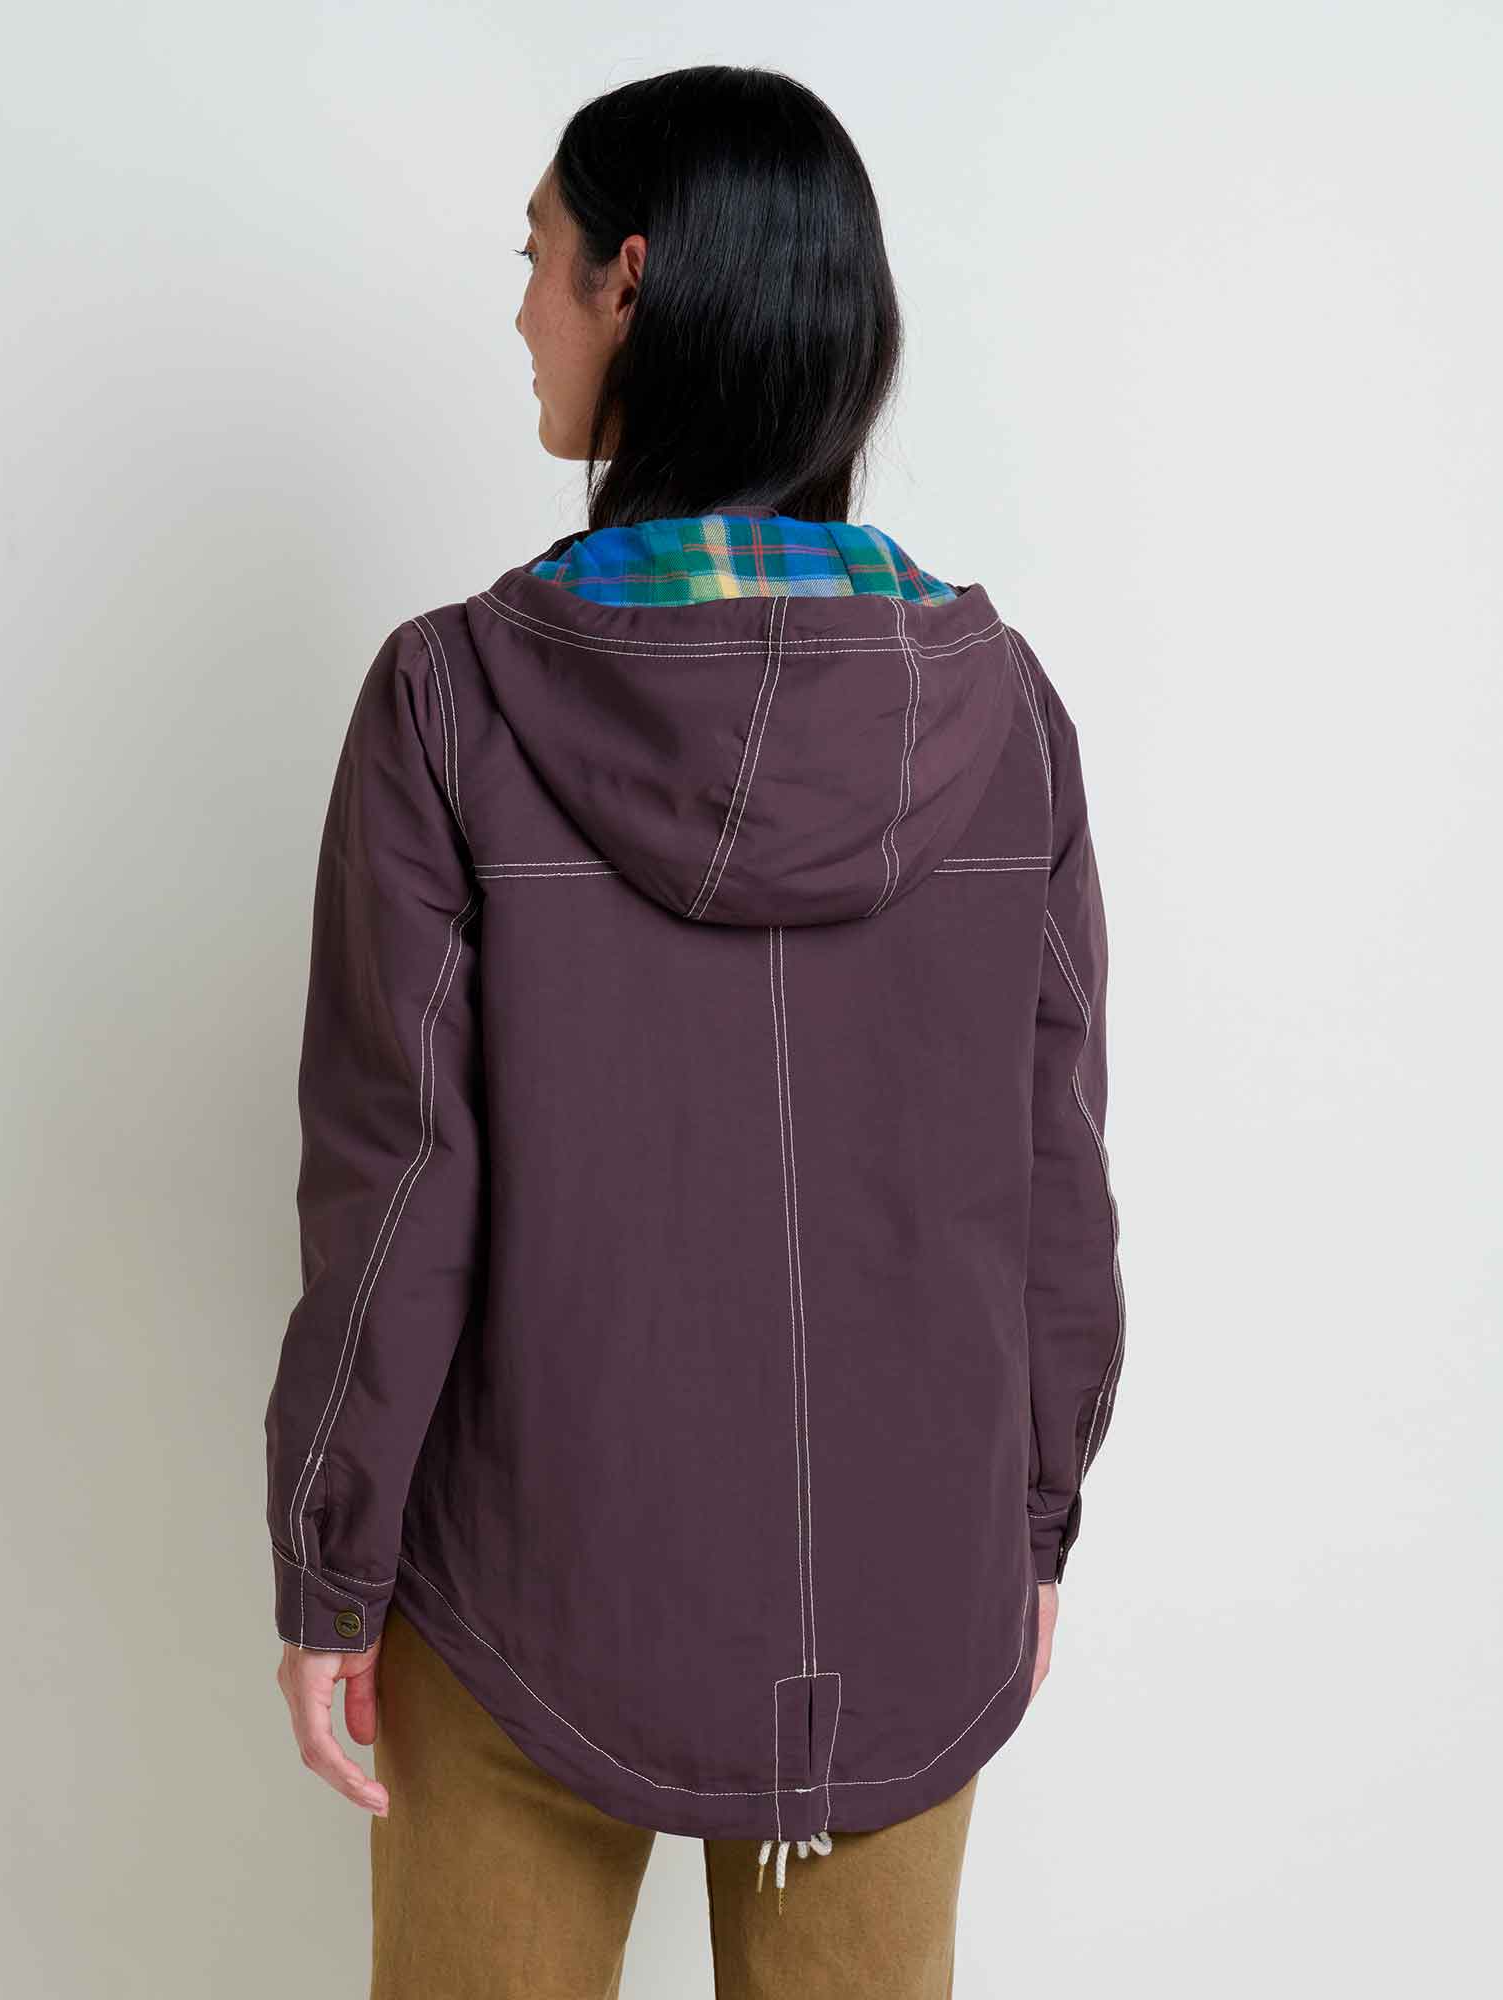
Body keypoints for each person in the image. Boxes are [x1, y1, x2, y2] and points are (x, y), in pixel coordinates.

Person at [263, 63, 1125, 2000]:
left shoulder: (451, 706)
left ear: (632, 281)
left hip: (522, 1588)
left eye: (539, 258)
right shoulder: (1009, 715)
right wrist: (1031, 1519)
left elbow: (396, 1190)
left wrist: (332, 1564)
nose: (519, 310)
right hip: (903, 1598)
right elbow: (1055, 1173)